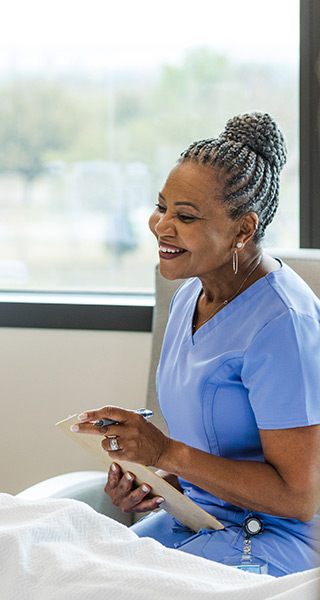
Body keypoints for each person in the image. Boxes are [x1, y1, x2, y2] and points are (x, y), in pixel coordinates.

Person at [72, 112, 320, 576]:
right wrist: (159, 484)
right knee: (72, 570)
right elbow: (217, 459)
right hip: (200, 520)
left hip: (275, 540)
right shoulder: (190, 295)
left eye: (184, 216)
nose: (160, 226)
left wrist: (164, 453)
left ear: (243, 231)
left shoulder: (284, 324)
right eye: (161, 206)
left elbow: (298, 497)